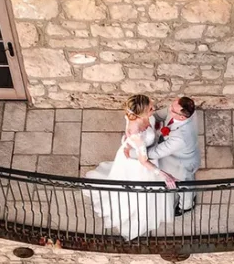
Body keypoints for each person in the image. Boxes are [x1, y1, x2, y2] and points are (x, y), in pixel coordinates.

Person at [86, 95, 176, 240]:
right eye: (150, 108)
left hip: (136, 150)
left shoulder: (136, 115)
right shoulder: (137, 134)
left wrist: (127, 144)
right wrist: (162, 174)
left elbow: (131, 136)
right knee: (141, 194)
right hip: (138, 164)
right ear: (140, 114)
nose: (154, 109)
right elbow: (143, 160)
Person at [147, 96, 200, 214]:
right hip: (182, 152)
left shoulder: (180, 137)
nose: (169, 109)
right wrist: (148, 120)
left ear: (181, 117)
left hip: (181, 164)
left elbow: (155, 153)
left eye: (172, 109)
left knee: (183, 184)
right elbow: (161, 115)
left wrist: (139, 151)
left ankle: (186, 206)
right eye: (172, 105)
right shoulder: (186, 110)